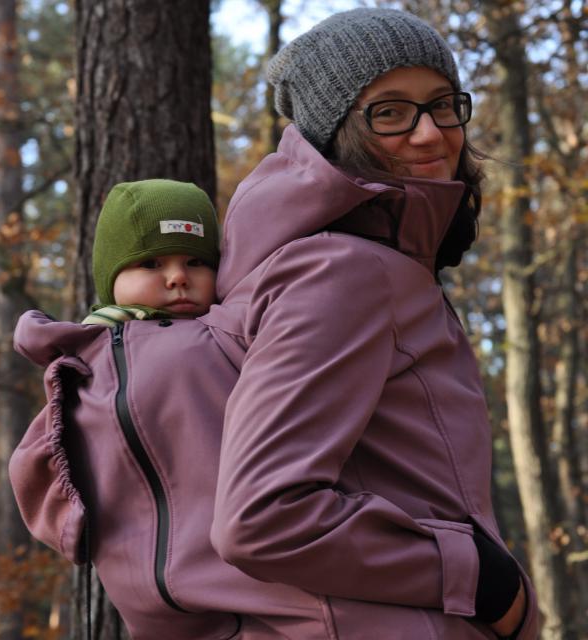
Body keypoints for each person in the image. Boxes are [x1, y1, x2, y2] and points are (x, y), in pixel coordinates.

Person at [204, 8, 538, 639]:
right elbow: (260, 516)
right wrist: (488, 581)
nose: (429, 134)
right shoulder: (344, 271)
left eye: (442, 105)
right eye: (389, 112)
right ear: (335, 134)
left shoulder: (370, 264)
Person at [10, 179, 347, 639]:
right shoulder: (78, 362)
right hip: (147, 597)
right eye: (151, 263)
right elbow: (38, 454)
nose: (177, 277)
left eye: (196, 262)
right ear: (111, 279)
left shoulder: (225, 335)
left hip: (250, 568)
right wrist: (72, 528)